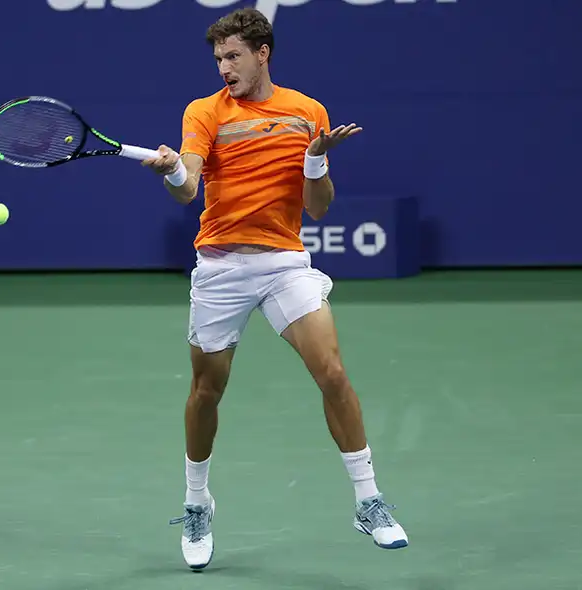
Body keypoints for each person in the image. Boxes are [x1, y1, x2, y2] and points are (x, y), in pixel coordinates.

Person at [141, 7, 409, 570]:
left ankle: (369, 499)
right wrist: (171, 171)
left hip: (285, 264)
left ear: (262, 54)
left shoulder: (307, 112)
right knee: (206, 391)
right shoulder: (204, 112)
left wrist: (315, 161)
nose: (224, 68)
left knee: (331, 371)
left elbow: (319, 207)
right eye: (218, 59)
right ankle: (197, 502)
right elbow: (188, 189)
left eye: (233, 56)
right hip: (220, 267)